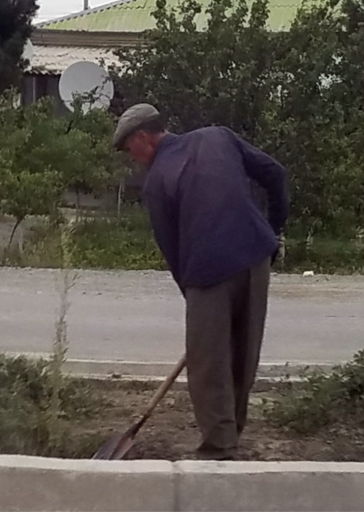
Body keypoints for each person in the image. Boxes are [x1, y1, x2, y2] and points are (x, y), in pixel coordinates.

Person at [113, 103, 289, 460]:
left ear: (143, 138)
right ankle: (231, 433)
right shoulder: (218, 136)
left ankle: (220, 448)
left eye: (130, 150)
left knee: (208, 364)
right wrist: (273, 232)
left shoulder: (157, 180)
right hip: (256, 258)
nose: (133, 159)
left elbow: (172, 250)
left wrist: (195, 298)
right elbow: (276, 175)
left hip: (207, 273)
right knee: (243, 354)